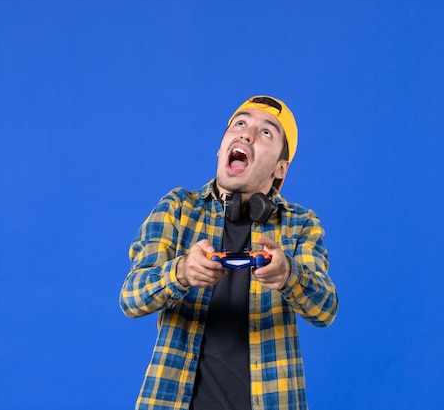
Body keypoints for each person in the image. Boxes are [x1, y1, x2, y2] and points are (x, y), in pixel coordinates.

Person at [120, 95, 338, 410]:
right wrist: (181, 272)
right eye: (239, 123)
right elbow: (131, 297)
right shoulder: (178, 208)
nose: (246, 134)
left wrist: (288, 274)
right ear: (221, 148)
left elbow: (326, 309)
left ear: (280, 168)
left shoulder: (300, 224)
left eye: (266, 132)